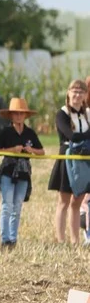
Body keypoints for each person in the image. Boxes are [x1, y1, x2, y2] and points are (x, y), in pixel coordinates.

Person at [0, 98, 44, 249]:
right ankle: (5, 238)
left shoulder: (30, 133)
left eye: (21, 113)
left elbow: (42, 152)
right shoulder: (6, 132)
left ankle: (13, 239)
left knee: (17, 206)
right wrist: (11, 150)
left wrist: (31, 151)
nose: (19, 116)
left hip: (24, 172)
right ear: (11, 116)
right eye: (16, 113)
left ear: (25, 116)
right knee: (7, 205)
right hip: (8, 171)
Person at [48, 79, 90, 244]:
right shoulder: (62, 113)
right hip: (66, 159)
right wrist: (86, 137)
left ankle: (75, 240)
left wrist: (82, 138)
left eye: (81, 92)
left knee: (77, 200)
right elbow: (70, 135)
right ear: (68, 93)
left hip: (84, 160)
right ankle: (61, 240)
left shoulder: (88, 113)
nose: (77, 95)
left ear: (85, 95)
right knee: (64, 201)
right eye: (74, 91)